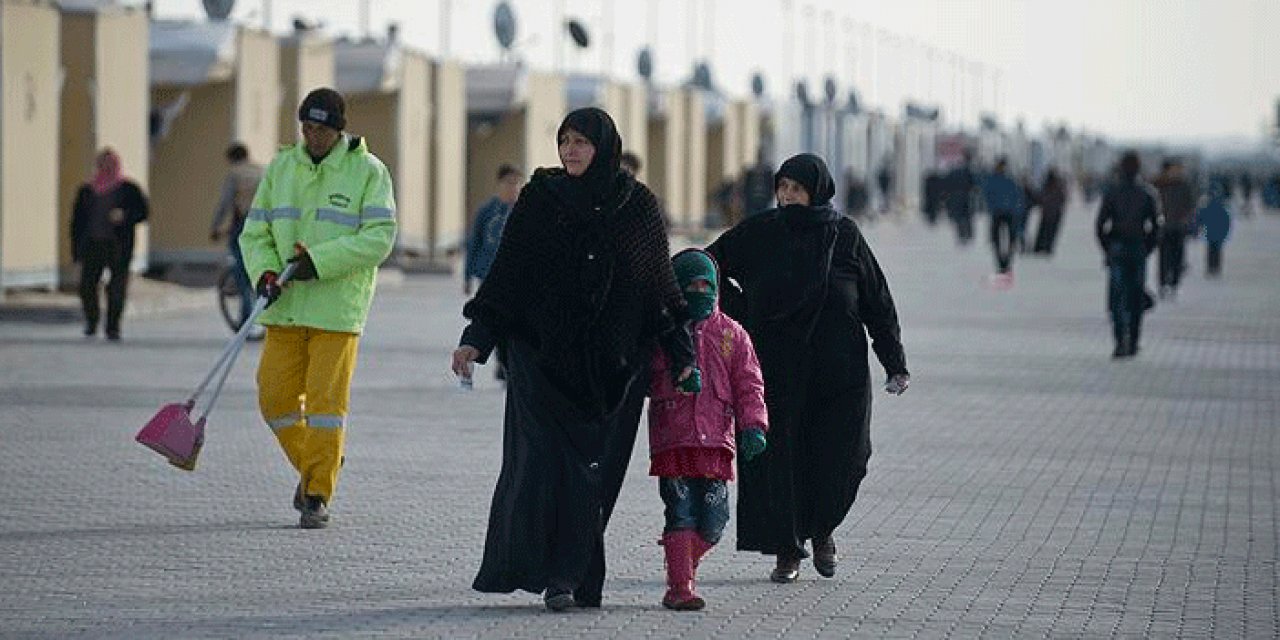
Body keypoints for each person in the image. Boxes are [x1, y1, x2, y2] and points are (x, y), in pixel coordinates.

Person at [451, 107, 696, 611]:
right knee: (547, 468)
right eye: (565, 141)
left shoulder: (638, 206)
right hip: (541, 361)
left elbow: (659, 288)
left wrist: (681, 354)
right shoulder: (541, 198)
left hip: (616, 368)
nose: (571, 152)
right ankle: (560, 578)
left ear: (603, 147)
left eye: (582, 142)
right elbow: (508, 273)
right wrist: (477, 338)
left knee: (593, 478)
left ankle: (577, 577)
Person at [706, 153, 910, 584]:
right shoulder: (761, 233)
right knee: (782, 459)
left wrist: (894, 361)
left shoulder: (844, 236)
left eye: (796, 189)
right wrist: (742, 311)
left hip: (841, 374)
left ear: (817, 191)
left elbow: (877, 299)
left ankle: (823, 530)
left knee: (847, 457)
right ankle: (788, 550)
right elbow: (705, 266)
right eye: (782, 188)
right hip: (776, 369)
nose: (787, 197)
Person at [239, 87, 398, 529]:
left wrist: (318, 262)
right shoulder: (281, 166)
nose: (313, 136)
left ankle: (316, 494)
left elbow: (379, 237)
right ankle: (320, 461)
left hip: (335, 311)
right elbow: (255, 232)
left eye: (322, 129)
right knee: (274, 398)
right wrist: (264, 273)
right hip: (285, 305)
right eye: (307, 127)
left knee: (327, 406)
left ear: (339, 129)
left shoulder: (368, 171)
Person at [647, 248, 769, 611]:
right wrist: (674, 379)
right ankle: (680, 586)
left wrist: (754, 425)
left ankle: (683, 560)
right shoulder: (664, 333)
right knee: (680, 512)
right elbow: (647, 378)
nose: (699, 291)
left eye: (706, 285)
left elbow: (750, 383)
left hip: (716, 442)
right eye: (691, 286)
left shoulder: (732, 334)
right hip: (675, 441)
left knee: (715, 521)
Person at [70, 148, 149, 341]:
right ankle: (91, 321)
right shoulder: (87, 191)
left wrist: (125, 216)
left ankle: (113, 326)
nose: (106, 168)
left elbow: (143, 212)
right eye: (102, 164)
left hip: (118, 246)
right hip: (92, 244)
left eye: (110, 164)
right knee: (86, 286)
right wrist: (75, 251)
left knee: (116, 287)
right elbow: (76, 222)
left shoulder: (128, 189)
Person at [1095, 151, 1160, 359]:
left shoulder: (1112, 192)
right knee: (1135, 296)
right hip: (1138, 248)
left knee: (1117, 298)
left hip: (1117, 247)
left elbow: (1100, 224)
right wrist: (1148, 246)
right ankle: (1133, 340)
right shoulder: (1147, 193)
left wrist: (1107, 247)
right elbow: (1157, 225)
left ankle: (1119, 340)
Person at [210, 142, 264, 331]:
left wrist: (215, 227)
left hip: (245, 225)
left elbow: (225, 203)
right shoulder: (262, 171)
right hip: (267, 223)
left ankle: (246, 318)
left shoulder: (234, 174)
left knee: (242, 270)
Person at [464, 164, 523, 296]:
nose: (514, 188)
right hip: (488, 272)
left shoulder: (525, 212)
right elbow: (474, 243)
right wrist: (467, 277)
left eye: (517, 183)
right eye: (509, 183)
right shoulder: (487, 211)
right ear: (500, 184)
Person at [1151, 160, 1197, 298]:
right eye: (1174, 169)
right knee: (1164, 256)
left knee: (1178, 256)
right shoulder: (1160, 184)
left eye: (1179, 169)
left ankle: (1174, 284)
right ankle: (1163, 283)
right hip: (1163, 226)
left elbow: (1191, 204)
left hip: (1179, 226)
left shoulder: (1185, 185)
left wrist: (1187, 219)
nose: (1177, 172)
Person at [982, 158, 1025, 286]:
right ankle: (1005, 262)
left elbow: (986, 194)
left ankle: (1003, 262)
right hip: (1007, 212)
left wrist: (990, 206)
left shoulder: (993, 179)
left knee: (998, 239)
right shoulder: (1010, 180)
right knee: (1008, 238)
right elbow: (1018, 195)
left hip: (999, 212)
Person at [1196, 183, 1232, 277]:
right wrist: (1226, 232)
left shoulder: (1207, 207)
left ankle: (1210, 267)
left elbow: (1200, 218)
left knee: (1211, 252)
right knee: (1217, 252)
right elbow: (1227, 222)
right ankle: (1216, 267)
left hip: (1210, 233)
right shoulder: (1222, 208)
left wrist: (1197, 228)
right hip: (1219, 234)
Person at [1031, 169, 1068, 255]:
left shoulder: (1046, 187)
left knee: (1042, 231)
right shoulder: (1058, 187)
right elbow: (1062, 199)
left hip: (1046, 213)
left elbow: (1040, 198)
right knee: (1051, 232)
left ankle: (1039, 247)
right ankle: (1048, 247)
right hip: (1055, 214)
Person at [945, 154, 978, 244]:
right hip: (966, 196)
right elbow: (974, 184)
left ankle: (961, 234)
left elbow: (948, 185)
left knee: (959, 217)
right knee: (967, 216)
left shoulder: (953, 172)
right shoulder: (968, 172)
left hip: (956, 197)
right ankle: (969, 233)